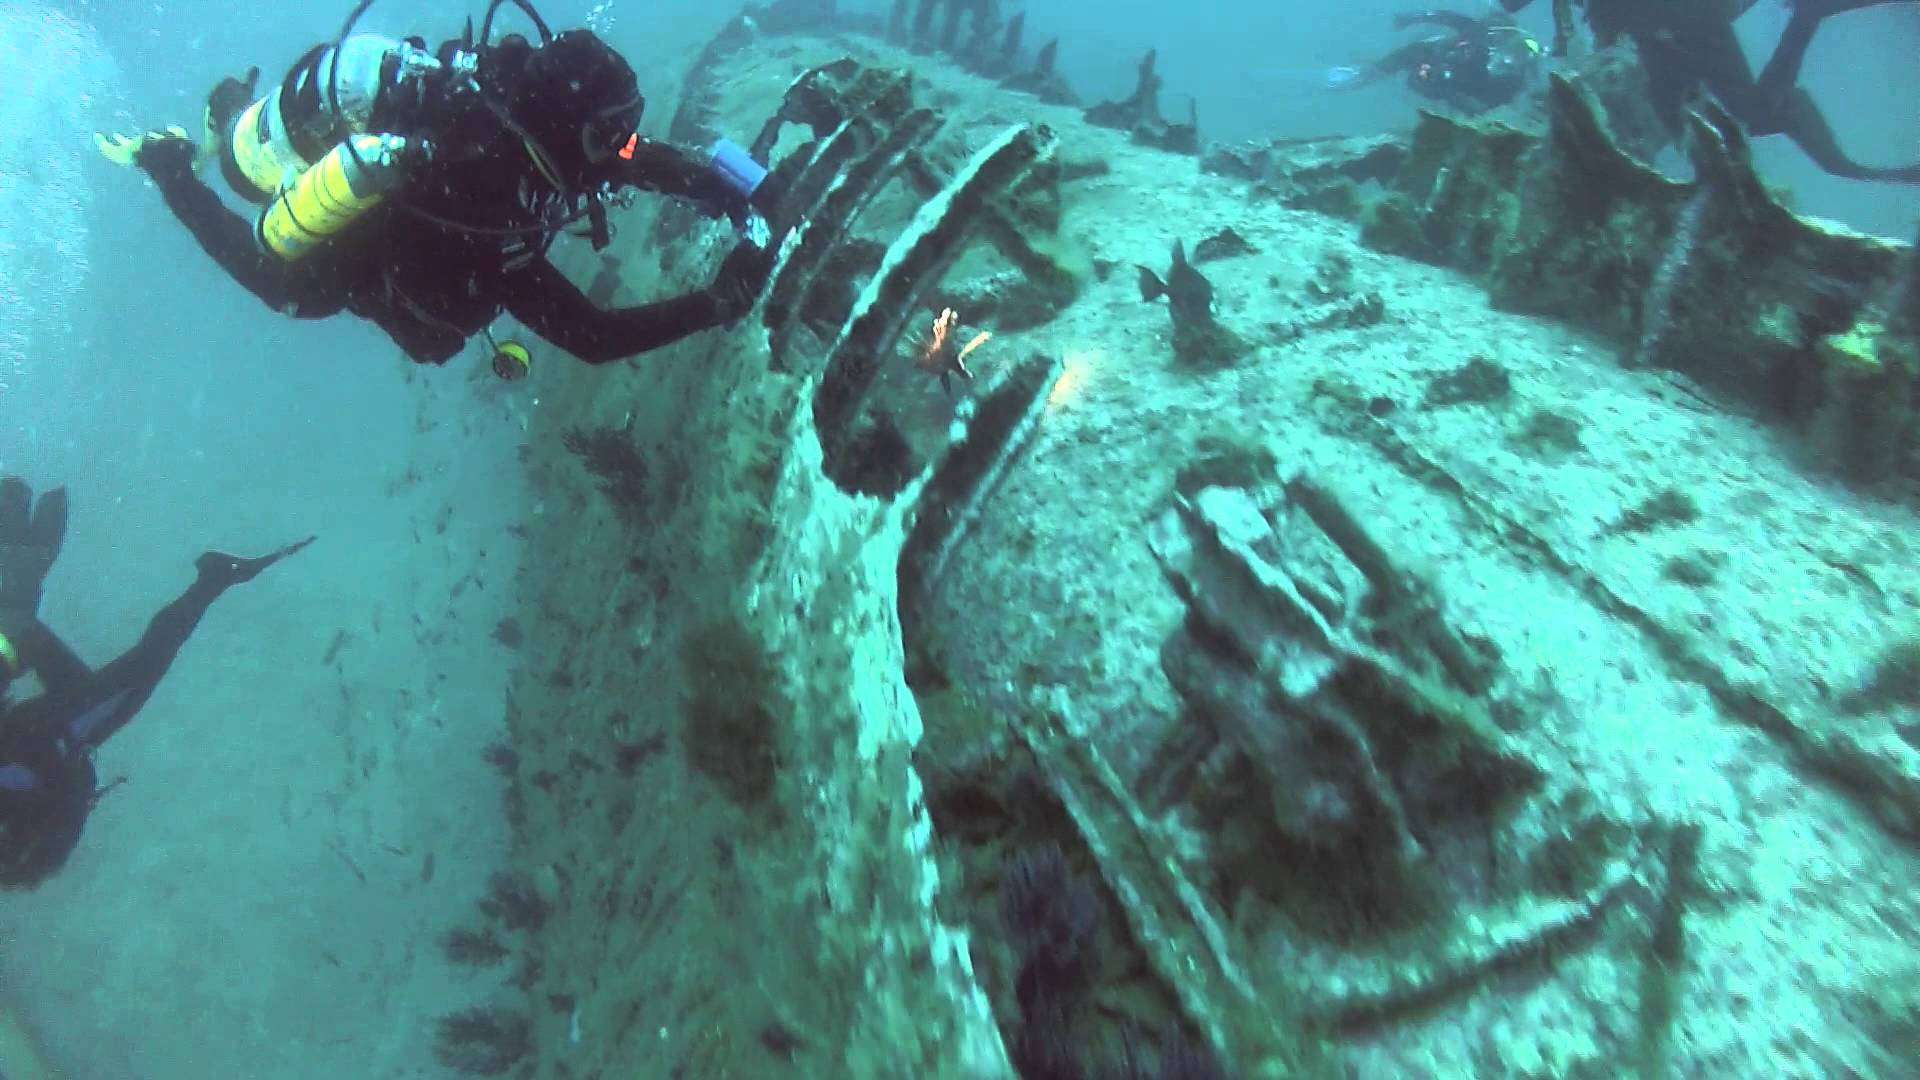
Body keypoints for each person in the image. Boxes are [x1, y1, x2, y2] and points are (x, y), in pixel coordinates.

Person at [96, 2, 780, 369]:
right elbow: (592, 336)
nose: (627, 144)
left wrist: (724, 191)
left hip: (389, 161)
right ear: (563, 129)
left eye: (626, 125)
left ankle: (230, 111)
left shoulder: (538, 115)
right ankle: (172, 166)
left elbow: (628, 158)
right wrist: (718, 302)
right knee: (285, 286)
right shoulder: (486, 202)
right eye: (612, 132)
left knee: (260, 162)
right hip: (366, 250)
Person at [0, 477, 311, 889]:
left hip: (48, 738)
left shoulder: (25, 844)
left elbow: (52, 823)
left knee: (139, 669)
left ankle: (215, 577)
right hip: (38, 738)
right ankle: (15, 583)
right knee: (25, 634)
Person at [1499, 0, 1920, 183]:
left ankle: (1808, 16)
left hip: (1682, 17)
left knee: (1748, 115)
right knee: (1683, 124)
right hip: (1657, 29)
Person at [1327, 10, 1544, 114]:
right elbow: (1446, 18)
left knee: (1422, 60)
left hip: (1475, 90)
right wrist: (1415, 18)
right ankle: (1361, 75)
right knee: (1420, 55)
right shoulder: (1474, 32)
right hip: (1449, 78)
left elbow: (1525, 87)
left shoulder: (1516, 55)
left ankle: (1362, 75)